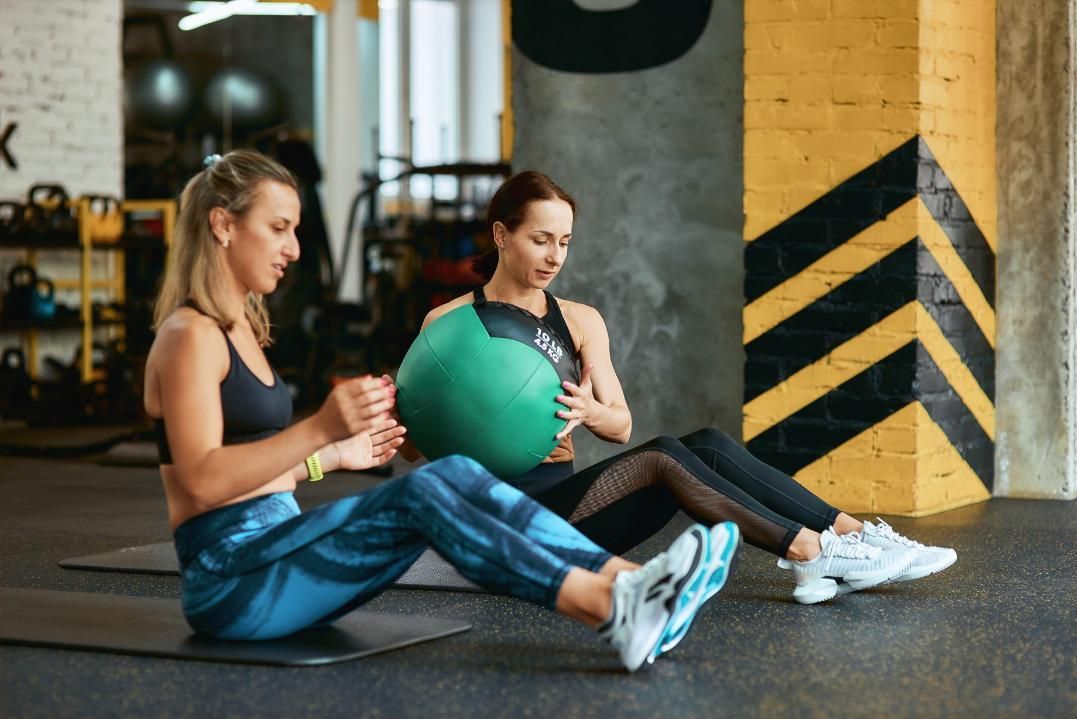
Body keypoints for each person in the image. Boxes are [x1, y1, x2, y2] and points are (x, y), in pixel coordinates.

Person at [142, 150, 740, 673]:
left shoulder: (242, 328)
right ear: (223, 225)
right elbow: (200, 483)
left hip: (275, 551)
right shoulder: (188, 335)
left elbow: (251, 473)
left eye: (294, 230)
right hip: (231, 581)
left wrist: (331, 456)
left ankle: (632, 583)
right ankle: (613, 610)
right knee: (422, 491)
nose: (294, 249)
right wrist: (317, 428)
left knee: (454, 475)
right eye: (278, 228)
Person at [414, 170, 957, 606]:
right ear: (501, 235)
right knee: (665, 457)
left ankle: (855, 537)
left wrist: (588, 411)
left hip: (568, 504)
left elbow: (621, 426)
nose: (555, 256)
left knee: (709, 443)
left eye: (565, 242)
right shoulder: (447, 325)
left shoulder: (580, 320)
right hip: (506, 520)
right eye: (540, 240)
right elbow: (424, 437)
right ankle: (807, 549)